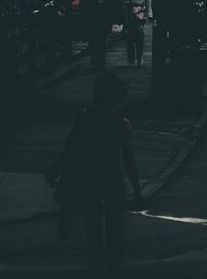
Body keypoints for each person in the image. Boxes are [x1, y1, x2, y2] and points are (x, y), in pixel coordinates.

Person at [46, 71, 142, 273]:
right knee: (114, 230)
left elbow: (70, 150)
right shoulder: (120, 123)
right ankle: (114, 268)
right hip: (112, 180)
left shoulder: (85, 118)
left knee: (93, 231)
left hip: (89, 180)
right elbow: (128, 159)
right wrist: (136, 188)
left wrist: (54, 171)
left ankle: (96, 269)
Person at [119, 0, 153, 67]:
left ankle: (139, 58)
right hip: (127, 11)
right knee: (129, 36)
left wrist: (149, 14)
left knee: (139, 35)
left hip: (139, 11)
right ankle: (131, 59)